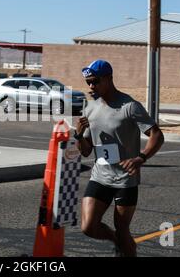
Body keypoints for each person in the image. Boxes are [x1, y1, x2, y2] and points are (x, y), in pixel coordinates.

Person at [74, 59, 164, 257]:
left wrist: (141, 158)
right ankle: (117, 241)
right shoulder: (89, 109)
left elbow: (157, 135)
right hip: (100, 176)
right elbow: (86, 151)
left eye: (95, 81)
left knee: (123, 231)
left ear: (109, 78)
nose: (91, 86)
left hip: (125, 179)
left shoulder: (130, 106)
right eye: (88, 82)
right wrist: (79, 135)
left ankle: (123, 244)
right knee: (88, 226)